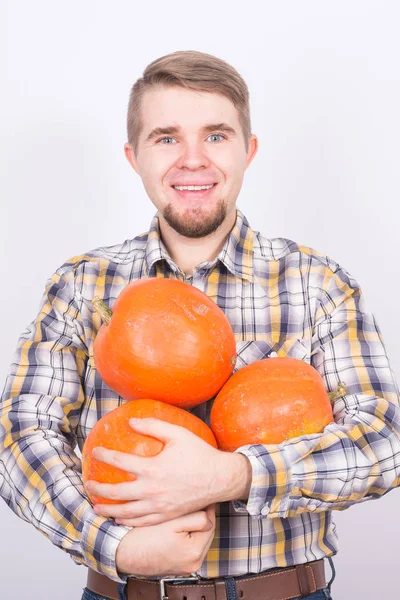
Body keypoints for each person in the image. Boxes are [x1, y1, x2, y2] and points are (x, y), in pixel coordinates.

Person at [1, 50, 400, 600]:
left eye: (216, 136)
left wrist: (233, 475)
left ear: (248, 150)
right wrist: (116, 547)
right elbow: (20, 436)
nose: (194, 160)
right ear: (133, 156)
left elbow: (385, 441)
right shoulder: (81, 286)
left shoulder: (316, 282)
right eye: (166, 138)